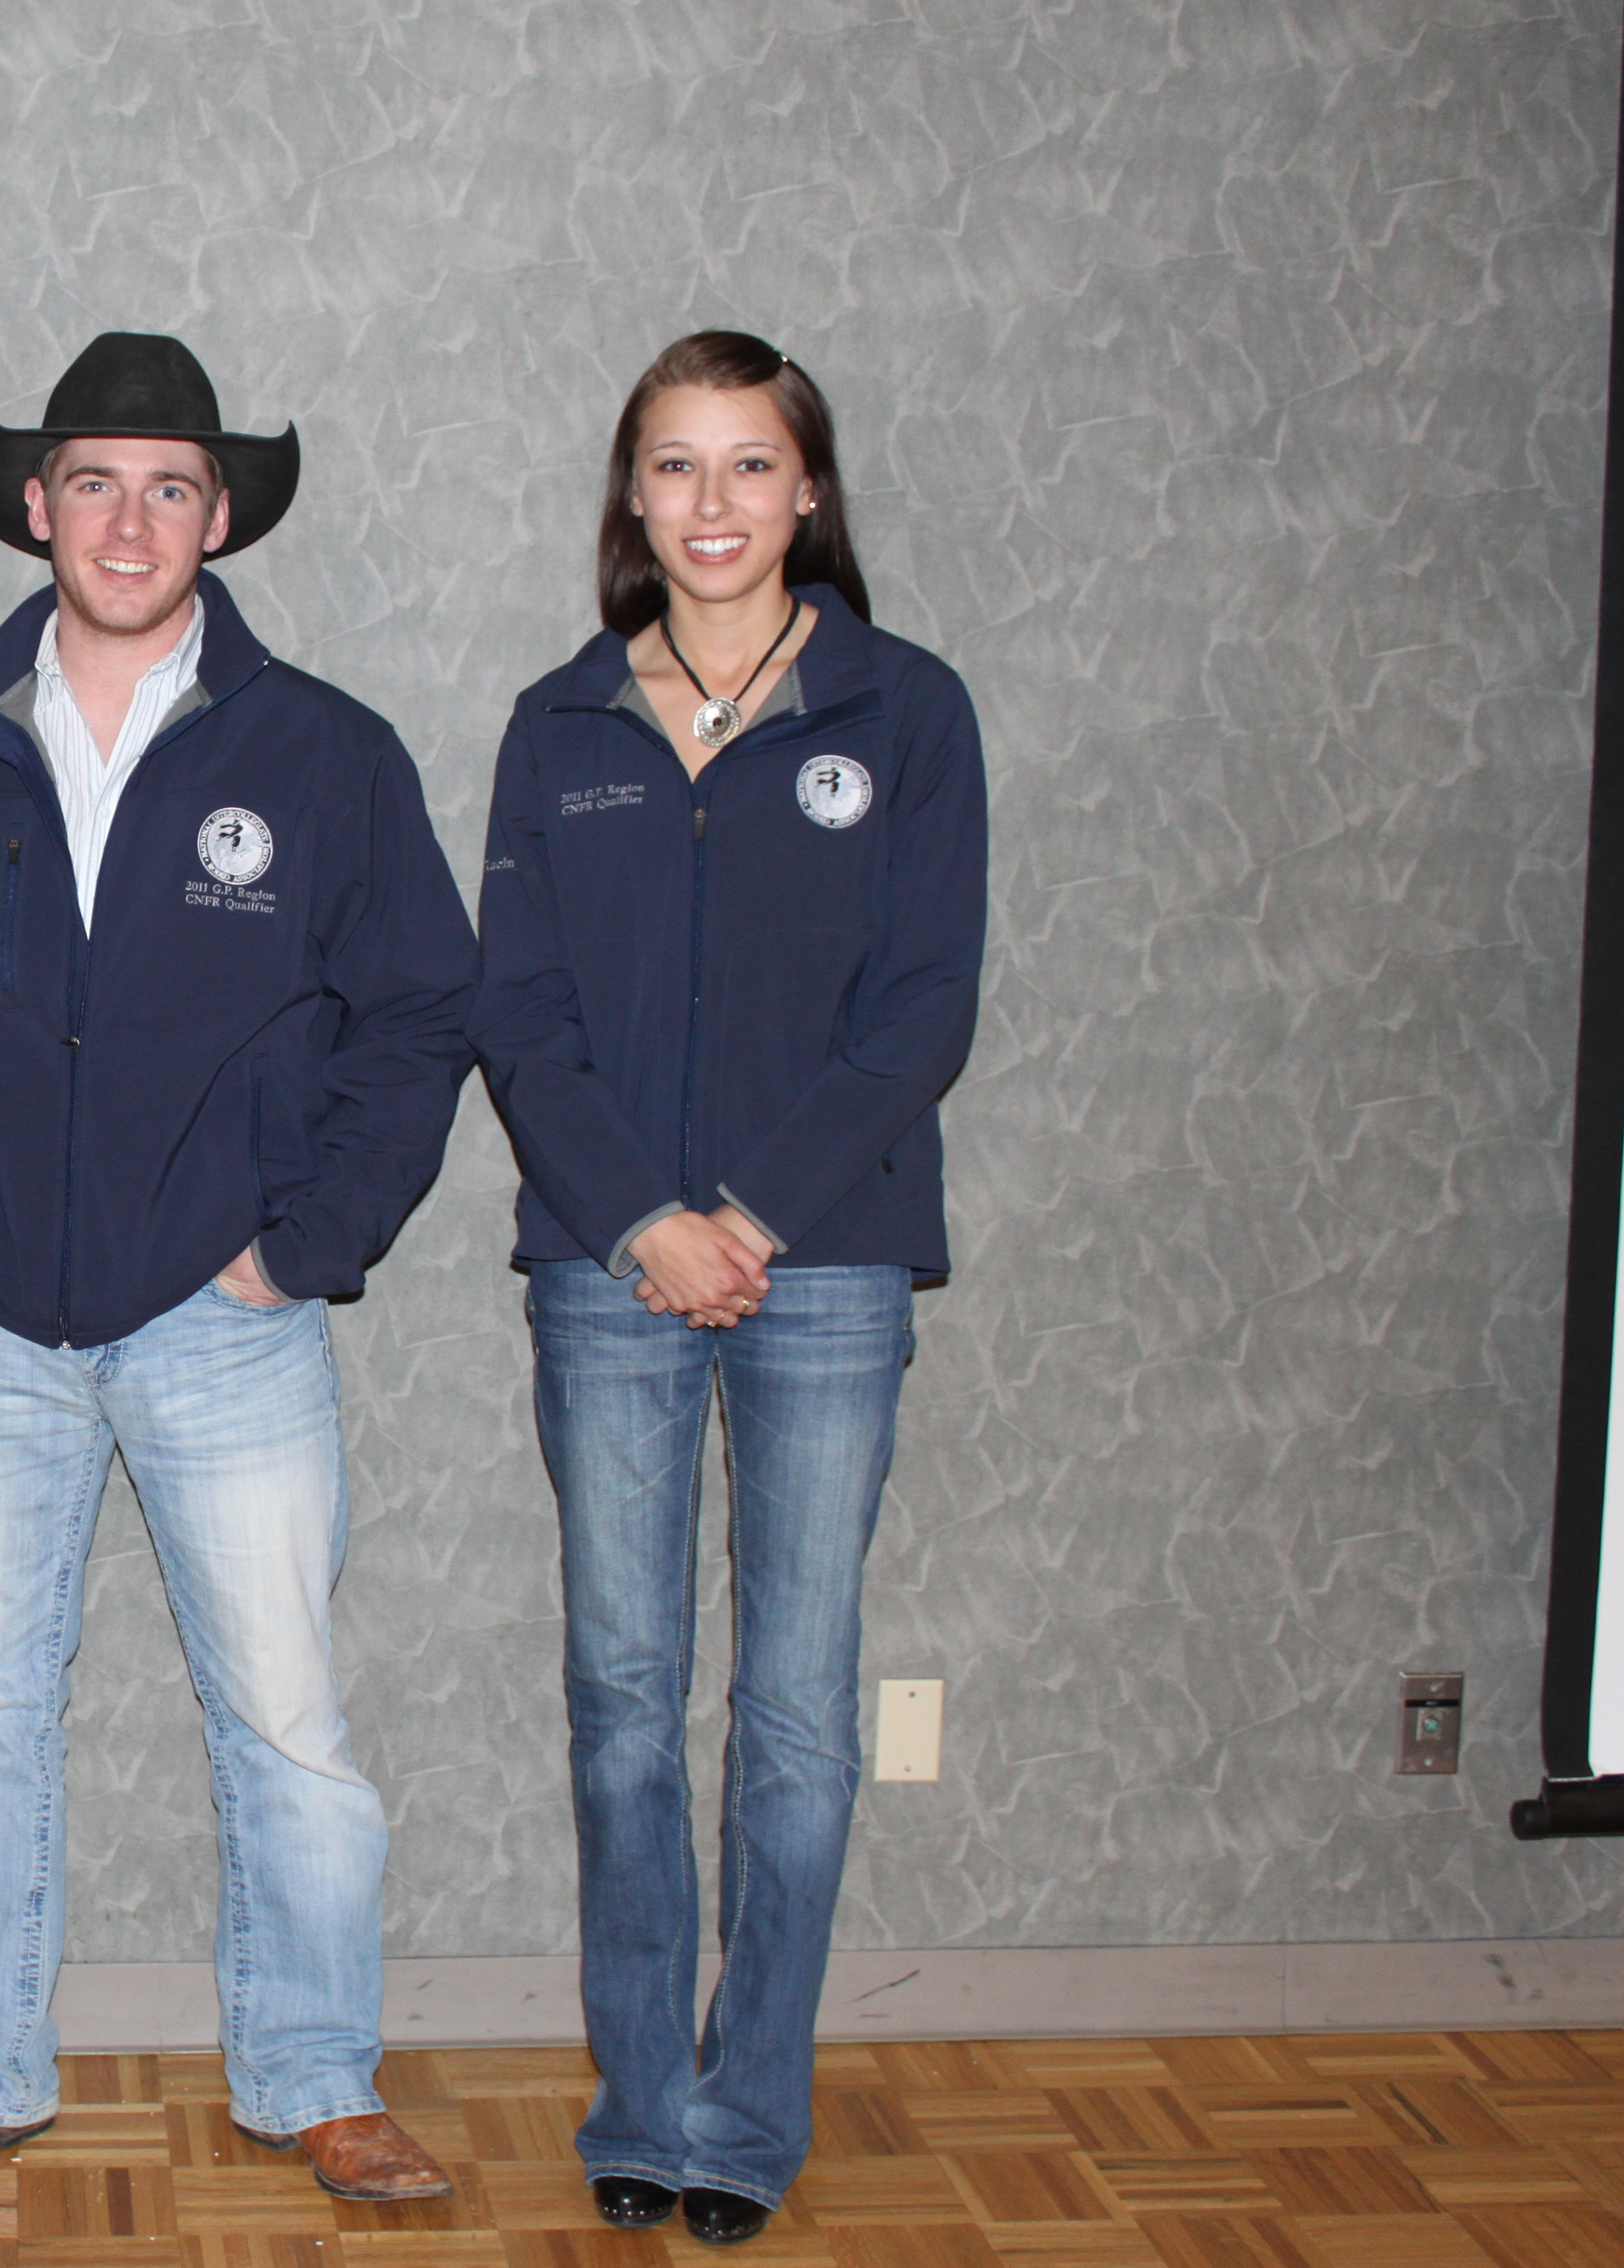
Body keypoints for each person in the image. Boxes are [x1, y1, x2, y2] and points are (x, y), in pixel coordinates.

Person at [0, 334, 478, 2203]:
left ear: (223, 513)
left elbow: (418, 1014)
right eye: (92, 480)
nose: (129, 518)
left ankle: (316, 2076)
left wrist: (309, 1245)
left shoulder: (323, 752)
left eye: (170, 485)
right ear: (33, 507)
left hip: (225, 1320)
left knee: (289, 1723)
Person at [468, 330, 988, 2249]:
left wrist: (754, 1211)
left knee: (790, 1710)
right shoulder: (562, 725)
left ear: (810, 493)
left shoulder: (905, 712)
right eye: (674, 468)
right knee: (622, 1700)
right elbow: (516, 1012)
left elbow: (925, 1004)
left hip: (828, 1264)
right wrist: (642, 1222)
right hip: (607, 1271)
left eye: (749, 466)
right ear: (631, 500)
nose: (711, 504)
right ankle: (644, 2096)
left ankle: (748, 2114)